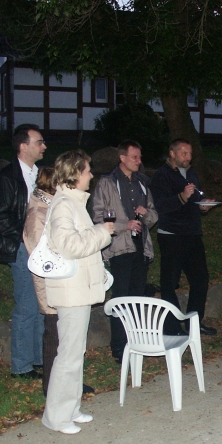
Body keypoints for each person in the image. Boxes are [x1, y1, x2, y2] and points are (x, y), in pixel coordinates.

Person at [41, 150, 114, 434]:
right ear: (74, 173)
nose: (91, 175)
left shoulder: (73, 203)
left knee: (75, 352)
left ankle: (70, 409)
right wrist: (102, 231)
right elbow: (69, 246)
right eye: (87, 171)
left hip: (77, 289)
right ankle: (56, 417)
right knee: (68, 355)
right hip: (70, 292)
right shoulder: (64, 205)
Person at [23, 167, 96, 397]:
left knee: (65, 340)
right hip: (52, 282)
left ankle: (67, 388)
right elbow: (42, 253)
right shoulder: (40, 211)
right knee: (55, 338)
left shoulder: (53, 206)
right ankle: (52, 389)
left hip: (64, 281)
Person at [92, 140, 159, 361]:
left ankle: (136, 344)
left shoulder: (142, 183)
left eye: (140, 157)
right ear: (122, 158)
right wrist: (124, 225)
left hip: (140, 246)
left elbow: (153, 215)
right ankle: (119, 348)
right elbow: (98, 217)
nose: (139, 161)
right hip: (119, 248)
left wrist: (146, 214)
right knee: (121, 298)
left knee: (137, 298)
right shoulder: (107, 183)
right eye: (134, 157)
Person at [0, 123, 47, 379]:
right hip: (21, 248)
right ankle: (21, 366)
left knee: (41, 303)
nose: (44, 146)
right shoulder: (7, 177)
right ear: (23, 146)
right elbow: (0, 218)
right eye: (39, 142)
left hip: (41, 248)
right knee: (27, 305)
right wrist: (25, 239)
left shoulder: (40, 175)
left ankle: (39, 358)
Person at [149, 138, 217, 336]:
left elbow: (195, 200)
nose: (189, 157)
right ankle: (172, 327)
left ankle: (194, 323)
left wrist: (203, 205)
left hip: (192, 234)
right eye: (184, 153)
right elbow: (160, 206)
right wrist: (182, 197)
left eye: (190, 153)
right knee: (169, 283)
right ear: (172, 153)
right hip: (172, 235)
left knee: (200, 279)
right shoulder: (161, 176)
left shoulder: (191, 173)